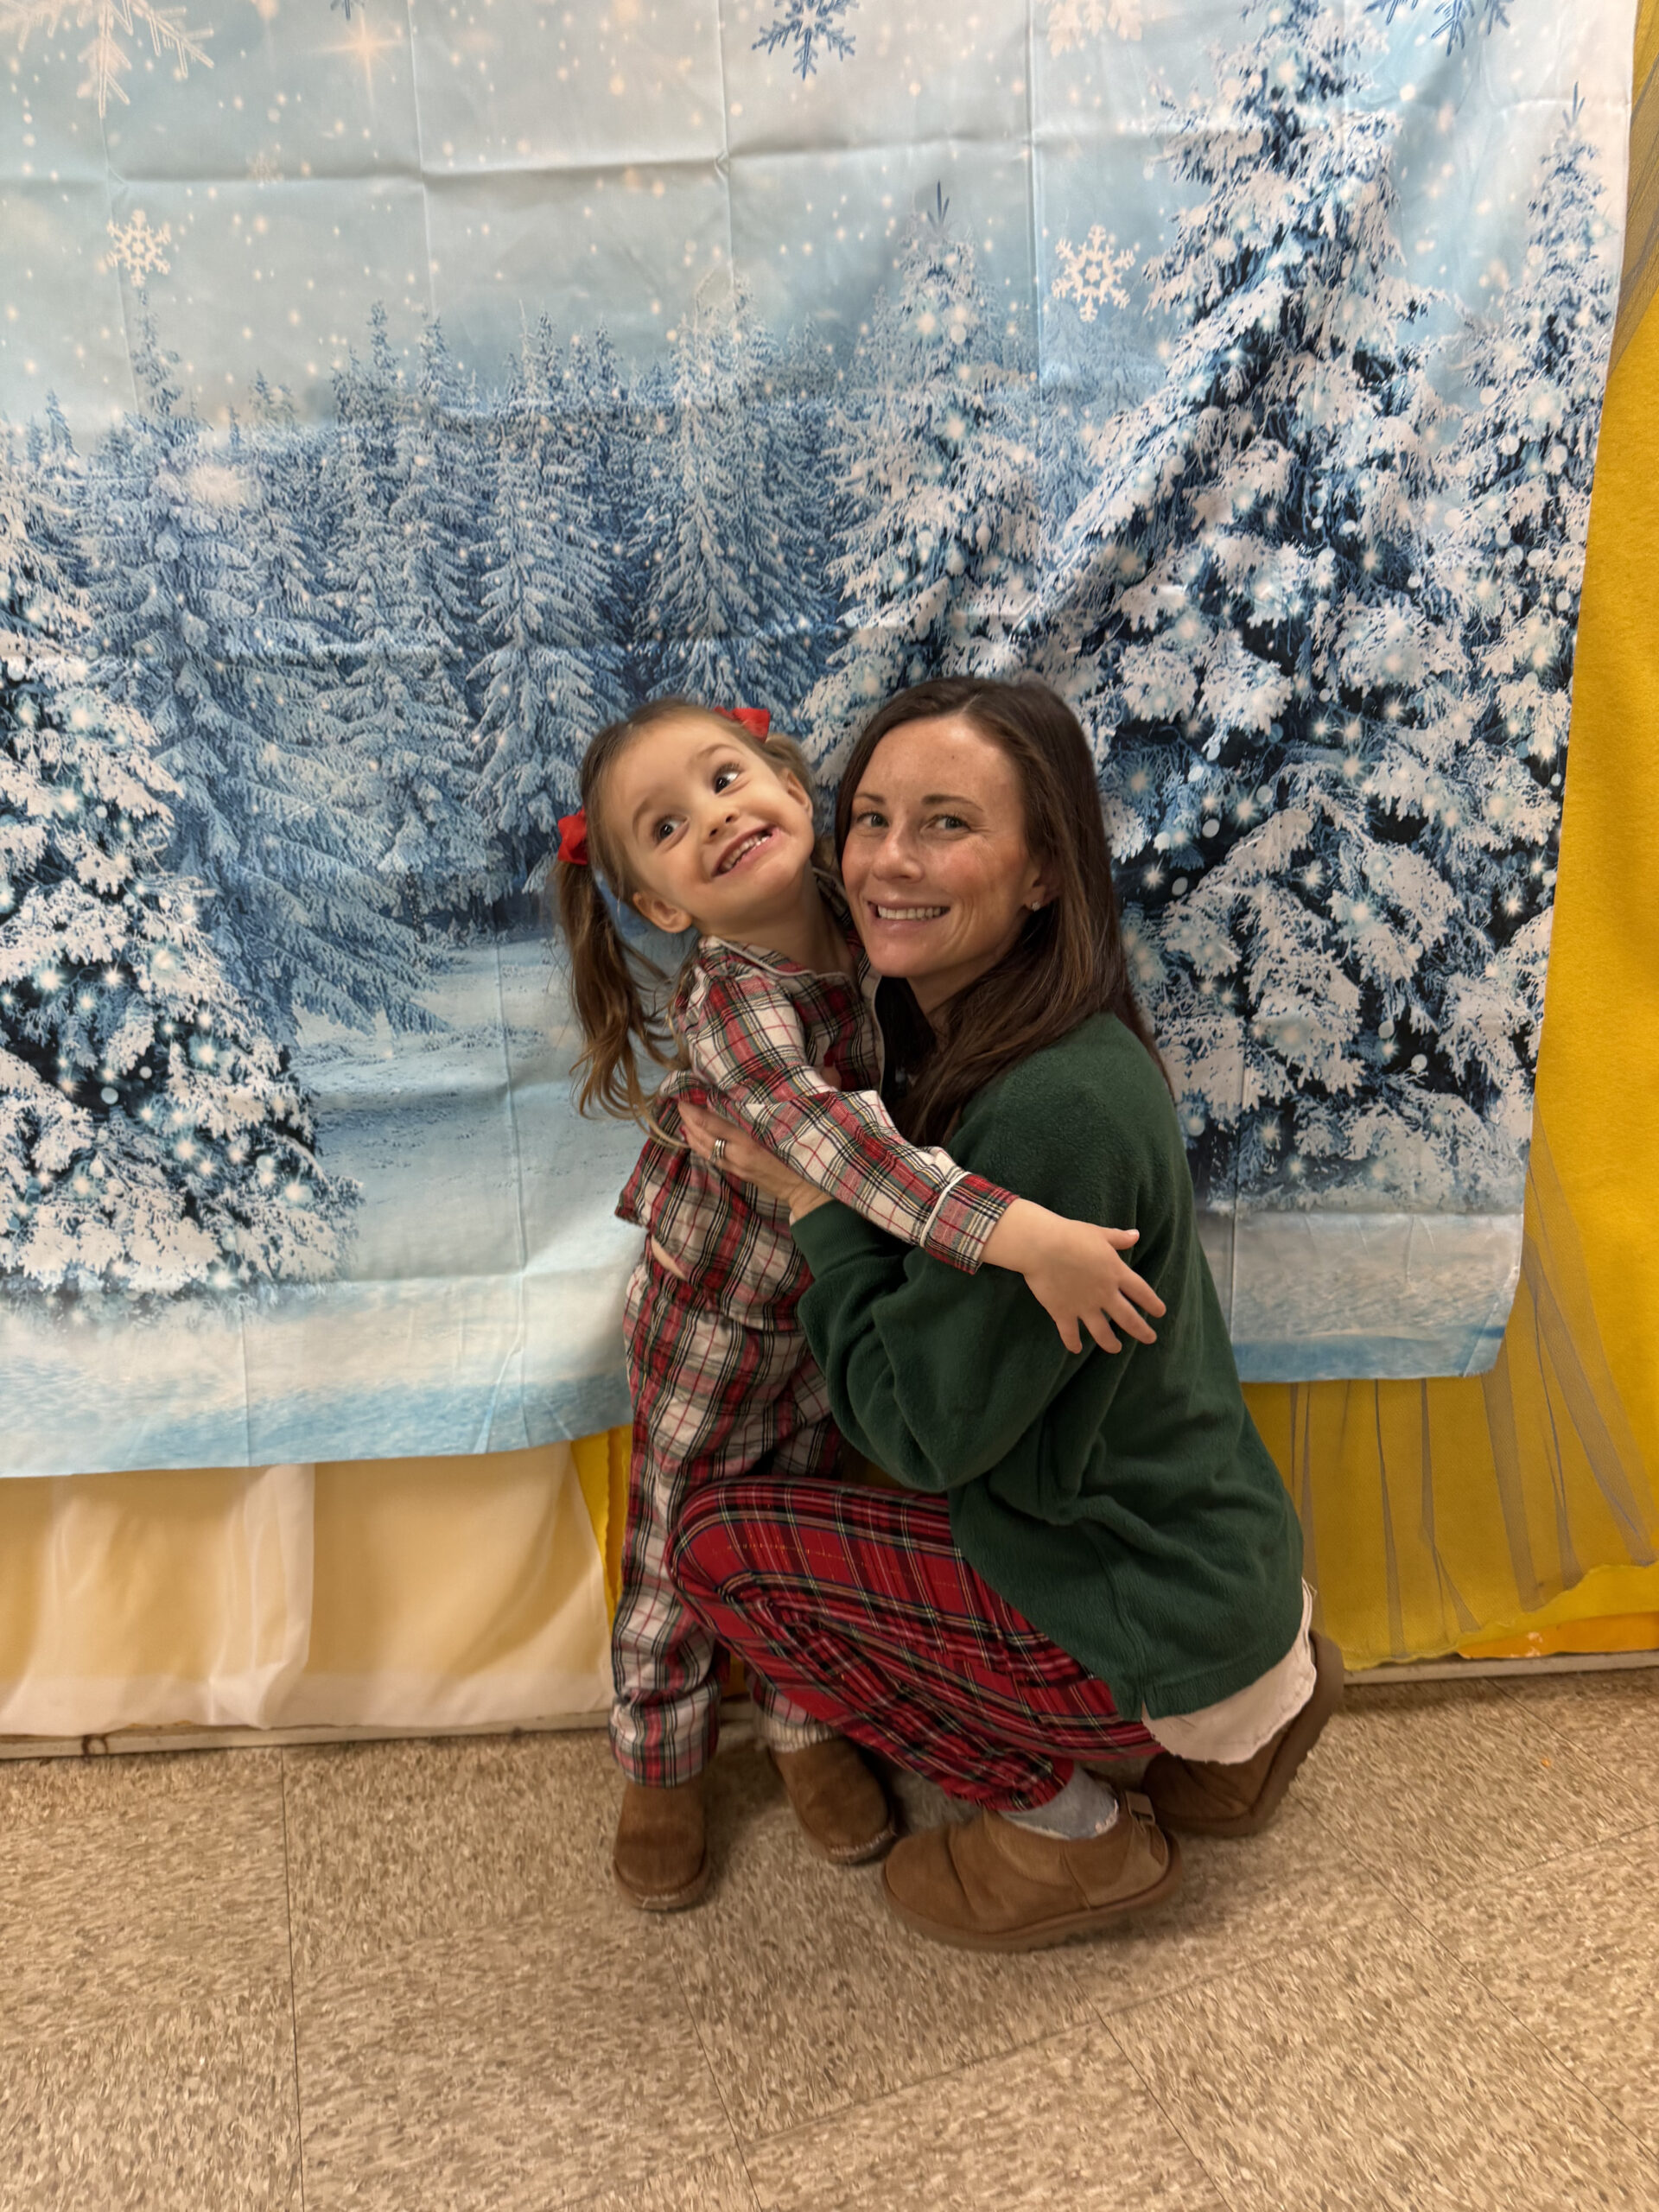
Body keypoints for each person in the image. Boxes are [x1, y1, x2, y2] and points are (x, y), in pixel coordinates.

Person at [673, 676, 1344, 1952]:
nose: (889, 862)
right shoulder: (1022, 1040)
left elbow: (922, 1434)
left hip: (1150, 1615)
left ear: (1045, 872)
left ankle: (1066, 1835)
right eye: (869, 820)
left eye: (946, 825)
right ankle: (1257, 1723)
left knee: (715, 1541)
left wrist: (814, 1208)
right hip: (1228, 1569)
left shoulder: (1047, 1111)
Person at [554, 696, 1166, 1912]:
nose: (718, 819)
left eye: (729, 780)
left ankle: (804, 1730)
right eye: (670, 828)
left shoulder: (864, 909)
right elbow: (838, 1147)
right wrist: (1022, 1234)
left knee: (822, 1511)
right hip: (719, 1313)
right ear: (667, 907)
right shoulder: (730, 999)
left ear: (790, 783)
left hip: (845, 1301)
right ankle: (659, 1762)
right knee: (681, 1542)